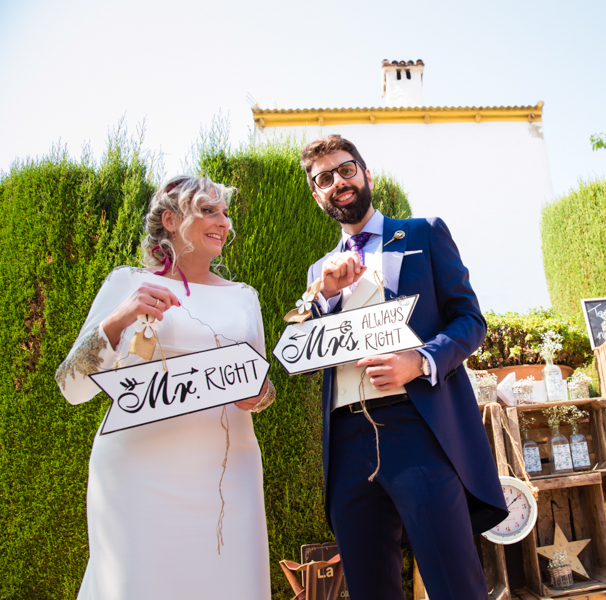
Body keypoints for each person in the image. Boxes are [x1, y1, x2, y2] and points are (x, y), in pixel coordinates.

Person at [301, 134, 506, 600]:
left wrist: (420, 360)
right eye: (324, 178)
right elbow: (311, 350)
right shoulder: (320, 271)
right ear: (318, 195)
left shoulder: (422, 233)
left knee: (455, 584)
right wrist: (324, 297)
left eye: (346, 169)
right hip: (347, 443)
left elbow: (470, 319)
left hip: (418, 428)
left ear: (366, 174)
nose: (339, 182)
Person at [55, 176, 274, 600]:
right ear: (170, 220)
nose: (223, 222)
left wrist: (259, 395)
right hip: (138, 476)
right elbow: (72, 385)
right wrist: (117, 320)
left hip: (229, 478)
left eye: (225, 213)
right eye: (208, 210)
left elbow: (261, 390)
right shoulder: (126, 282)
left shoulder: (244, 298)